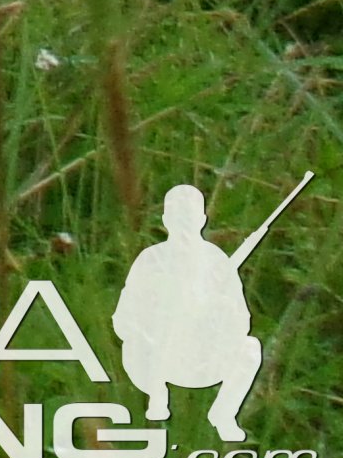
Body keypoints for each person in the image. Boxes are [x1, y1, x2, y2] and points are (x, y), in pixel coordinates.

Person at [114, 185, 266, 444]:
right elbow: (124, 318)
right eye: (177, 216)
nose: (184, 223)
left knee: (250, 349)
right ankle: (156, 400)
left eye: (190, 216)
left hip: (202, 358)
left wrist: (217, 317)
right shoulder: (151, 261)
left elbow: (242, 319)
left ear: (203, 219)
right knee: (139, 346)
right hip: (155, 359)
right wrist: (153, 327)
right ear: (165, 221)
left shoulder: (217, 263)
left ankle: (224, 414)